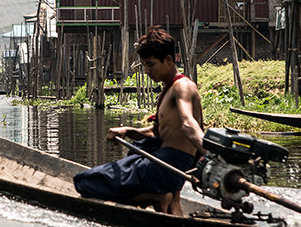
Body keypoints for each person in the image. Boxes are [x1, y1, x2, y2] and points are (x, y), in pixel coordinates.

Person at [73, 26, 205, 215]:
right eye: (144, 65)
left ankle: (156, 196)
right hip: (169, 164)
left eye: (151, 65)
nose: (147, 71)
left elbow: (188, 124)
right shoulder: (170, 88)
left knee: (84, 182)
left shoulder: (182, 87)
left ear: (168, 59)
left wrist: (209, 154)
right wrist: (127, 130)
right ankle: (168, 209)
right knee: (167, 192)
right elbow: (161, 132)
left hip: (169, 163)